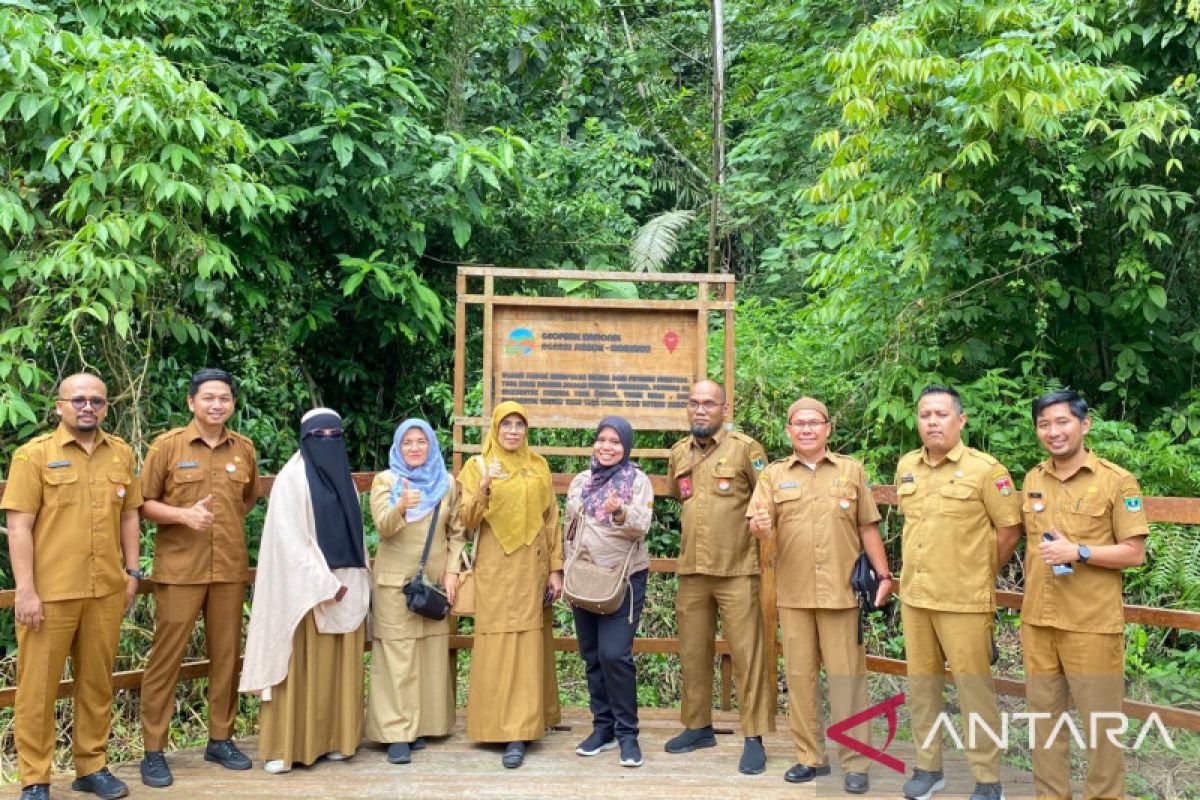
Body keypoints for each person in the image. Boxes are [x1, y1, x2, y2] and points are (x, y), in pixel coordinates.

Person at [2, 373, 143, 800]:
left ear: (106, 408)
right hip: (50, 594)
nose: (88, 407)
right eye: (78, 399)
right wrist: (25, 590)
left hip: (105, 590)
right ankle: (35, 778)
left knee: (97, 683)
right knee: (37, 690)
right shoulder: (34, 457)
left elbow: (130, 515)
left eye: (97, 401)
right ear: (59, 406)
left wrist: (132, 573)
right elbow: (19, 527)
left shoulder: (120, 453)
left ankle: (92, 765)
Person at [748, 397, 892, 793]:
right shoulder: (773, 476)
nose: (807, 429)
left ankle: (856, 762)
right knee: (800, 679)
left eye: (815, 422)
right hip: (793, 595)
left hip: (842, 594)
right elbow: (759, 525)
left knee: (847, 680)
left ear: (828, 428)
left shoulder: (850, 470)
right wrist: (761, 528)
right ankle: (809, 757)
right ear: (789, 431)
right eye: (799, 423)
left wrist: (883, 574)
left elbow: (867, 526)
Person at [895, 386, 1022, 800]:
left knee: (974, 692)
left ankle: (988, 780)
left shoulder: (987, 470)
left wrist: (980, 573)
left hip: (964, 601)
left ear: (961, 421)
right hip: (916, 598)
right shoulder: (907, 466)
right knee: (922, 688)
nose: (932, 422)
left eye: (942, 414)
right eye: (925, 414)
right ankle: (928, 768)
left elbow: (1009, 529)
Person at [1021, 390, 1148, 799]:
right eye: (1044, 424)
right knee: (1044, 722)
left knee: (1101, 726)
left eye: (1062, 422)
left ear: (1084, 424)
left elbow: (1134, 552)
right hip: (1039, 622)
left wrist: (1081, 551)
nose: (1053, 432)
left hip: (1090, 624)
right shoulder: (1033, 478)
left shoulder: (1116, 480)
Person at [138, 369, 259, 787]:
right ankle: (153, 749)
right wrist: (183, 516)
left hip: (227, 569)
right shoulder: (167, 447)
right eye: (208, 398)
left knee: (227, 656)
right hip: (180, 571)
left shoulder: (243, 449)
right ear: (192, 402)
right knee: (165, 659)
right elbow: (143, 503)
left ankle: (220, 738)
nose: (216, 405)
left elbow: (245, 499)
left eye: (224, 398)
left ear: (232, 404)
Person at [239, 408, 370, 774]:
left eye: (334, 435)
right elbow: (290, 541)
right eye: (318, 436)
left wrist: (351, 583)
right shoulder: (291, 478)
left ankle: (336, 740)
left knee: (337, 669)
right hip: (306, 592)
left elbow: (358, 539)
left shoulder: (344, 479)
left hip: (347, 583)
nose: (327, 442)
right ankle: (287, 746)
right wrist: (326, 584)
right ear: (304, 438)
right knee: (297, 668)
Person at [664, 379, 773, 775]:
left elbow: (768, 498)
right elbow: (681, 497)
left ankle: (754, 737)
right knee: (693, 653)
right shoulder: (678, 453)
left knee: (748, 656)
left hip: (737, 570)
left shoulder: (746, 450)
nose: (700, 410)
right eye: (693, 403)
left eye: (708, 404)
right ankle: (697, 727)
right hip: (692, 570)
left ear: (724, 410)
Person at [459, 400, 564, 769]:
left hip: (532, 568)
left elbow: (551, 519)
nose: (514, 431)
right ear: (495, 429)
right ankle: (494, 727)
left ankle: (522, 729)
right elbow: (467, 520)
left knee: (528, 643)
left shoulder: (538, 466)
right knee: (496, 644)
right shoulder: (477, 466)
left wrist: (556, 569)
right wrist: (485, 486)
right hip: (495, 569)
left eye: (520, 425)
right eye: (507, 425)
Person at [365, 419, 466, 765]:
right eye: (407, 442)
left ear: (432, 445)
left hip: (434, 584)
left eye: (421, 441)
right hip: (395, 584)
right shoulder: (386, 481)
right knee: (398, 655)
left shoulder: (447, 483)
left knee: (430, 654)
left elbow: (457, 531)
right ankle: (396, 733)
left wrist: (453, 572)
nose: (414, 448)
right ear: (397, 447)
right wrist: (401, 506)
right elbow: (383, 527)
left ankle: (423, 724)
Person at [565, 416, 653, 769]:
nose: (607, 447)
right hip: (584, 578)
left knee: (615, 654)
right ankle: (603, 728)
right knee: (592, 655)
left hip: (623, 580)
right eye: (602, 439)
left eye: (615, 441)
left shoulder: (638, 481)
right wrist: (564, 569)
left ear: (626, 447)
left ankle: (627, 733)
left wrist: (620, 512)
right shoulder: (580, 481)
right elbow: (568, 528)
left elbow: (642, 527)